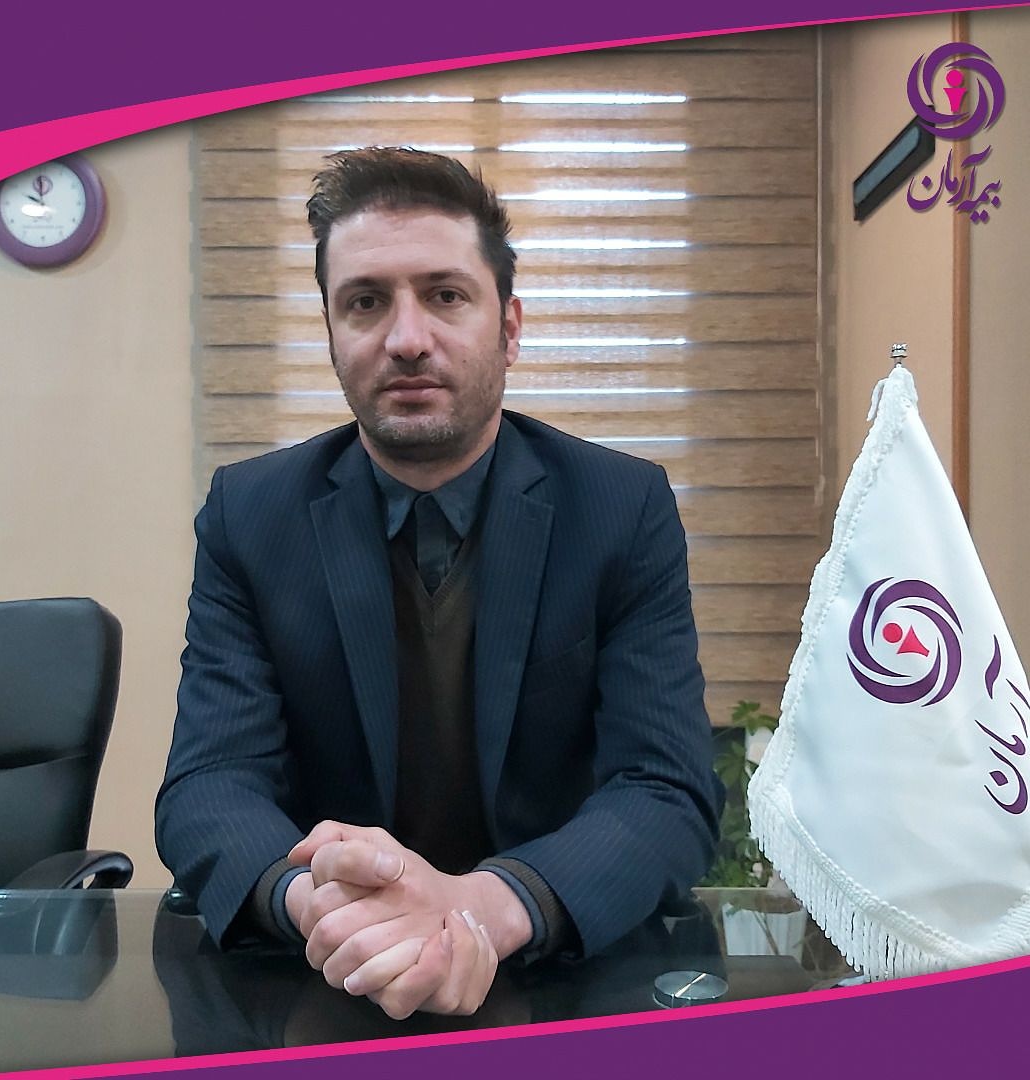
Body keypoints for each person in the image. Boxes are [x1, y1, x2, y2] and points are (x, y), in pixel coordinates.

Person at [156, 147, 721, 1021]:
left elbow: (666, 787)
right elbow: (209, 784)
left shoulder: (620, 508)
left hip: (554, 972)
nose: (407, 338)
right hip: (322, 980)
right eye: (365, 302)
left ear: (510, 327)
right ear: (331, 334)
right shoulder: (250, 515)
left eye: (446, 295)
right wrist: (325, 908)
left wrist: (479, 908)